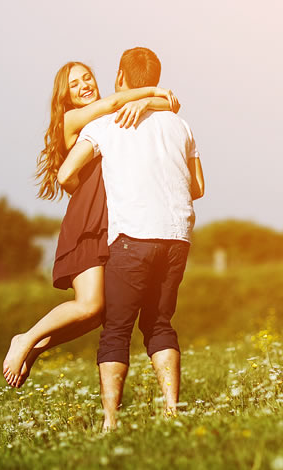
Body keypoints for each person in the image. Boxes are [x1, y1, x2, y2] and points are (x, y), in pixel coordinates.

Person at [2, 61, 181, 388]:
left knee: (101, 313)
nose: (84, 85)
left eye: (87, 78)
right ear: (65, 96)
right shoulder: (73, 120)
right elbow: (120, 102)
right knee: (90, 304)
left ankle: (37, 347)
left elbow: (170, 106)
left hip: (113, 224)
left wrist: (146, 101)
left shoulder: (109, 118)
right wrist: (154, 91)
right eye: (75, 84)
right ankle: (24, 338)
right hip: (87, 222)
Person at [58, 47, 205, 431]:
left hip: (131, 238)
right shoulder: (181, 125)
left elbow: (64, 175)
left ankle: (110, 422)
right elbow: (199, 187)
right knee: (160, 323)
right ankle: (172, 412)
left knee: (117, 329)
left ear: (121, 77)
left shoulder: (104, 126)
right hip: (177, 237)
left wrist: (85, 194)